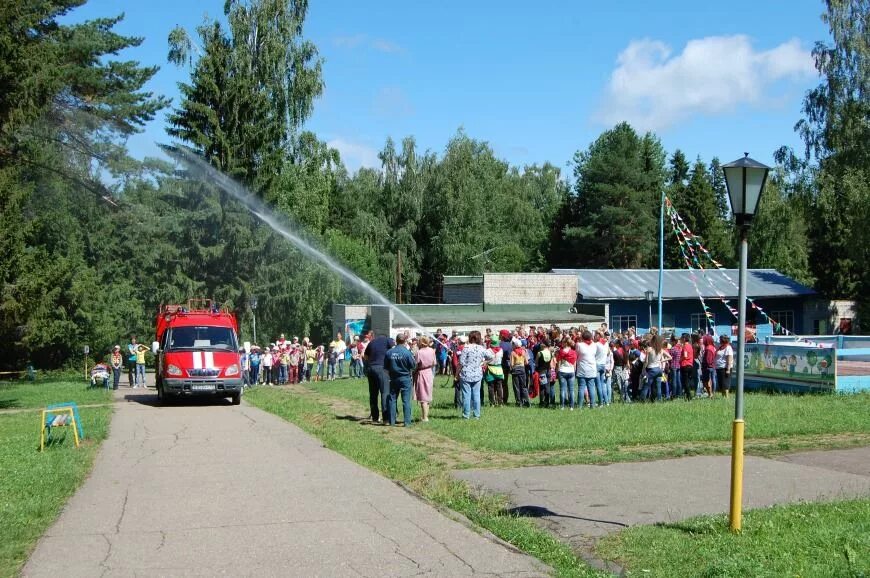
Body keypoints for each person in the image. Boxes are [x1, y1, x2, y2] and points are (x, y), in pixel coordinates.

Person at [458, 331, 493, 419]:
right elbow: (492, 356)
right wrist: (485, 362)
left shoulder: (466, 348)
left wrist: (456, 374)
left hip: (466, 374)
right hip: (477, 374)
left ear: (471, 338)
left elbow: (461, 362)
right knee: (476, 395)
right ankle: (477, 415)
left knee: (466, 395)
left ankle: (466, 415)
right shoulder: (482, 348)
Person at [384, 334, 416, 427]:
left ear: (396, 341)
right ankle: (407, 422)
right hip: (405, 378)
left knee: (392, 399)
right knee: (406, 400)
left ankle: (392, 421)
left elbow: (386, 367)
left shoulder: (389, 352)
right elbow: (413, 366)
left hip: (393, 378)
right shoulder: (407, 352)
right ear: (405, 341)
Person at [364, 331, 391, 423]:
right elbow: (394, 350)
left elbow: (365, 356)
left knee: (373, 394)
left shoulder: (372, 342)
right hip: (382, 369)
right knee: (385, 393)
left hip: (371, 369)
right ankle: (386, 418)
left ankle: (375, 417)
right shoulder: (388, 340)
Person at [643, 334, 672, 402]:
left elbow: (646, 361)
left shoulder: (649, 349)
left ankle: (642, 400)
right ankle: (659, 400)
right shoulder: (660, 350)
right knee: (658, 387)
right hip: (658, 369)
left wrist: (644, 369)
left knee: (646, 386)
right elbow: (670, 357)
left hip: (651, 369)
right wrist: (661, 360)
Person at [414, 336, 436, 422]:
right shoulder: (432, 351)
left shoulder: (419, 352)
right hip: (429, 373)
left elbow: (415, 364)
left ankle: (425, 417)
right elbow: (434, 363)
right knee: (428, 394)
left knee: (423, 396)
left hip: (421, 373)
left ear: (422, 342)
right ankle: (425, 415)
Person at [576, 330, 598, 408]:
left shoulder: (579, 345)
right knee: (591, 388)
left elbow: (577, 354)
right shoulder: (595, 345)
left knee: (581, 388)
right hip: (592, 369)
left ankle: (580, 405)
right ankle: (592, 405)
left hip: (582, 368)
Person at [555, 337, 577, 410]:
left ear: (565, 343)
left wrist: (557, 371)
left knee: (562, 390)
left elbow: (559, 362)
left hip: (563, 371)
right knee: (571, 390)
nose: (561, 344)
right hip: (571, 371)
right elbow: (574, 363)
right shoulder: (573, 352)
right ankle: (571, 406)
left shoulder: (561, 351)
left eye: (562, 342)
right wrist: (574, 370)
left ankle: (562, 406)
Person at [484, 336, 505, 406]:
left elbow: (485, 359)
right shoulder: (501, 350)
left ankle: (492, 403)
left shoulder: (487, 351)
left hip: (490, 369)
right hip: (499, 369)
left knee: (491, 387)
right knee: (499, 386)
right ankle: (500, 403)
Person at [510, 338, 530, 407]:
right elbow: (527, 362)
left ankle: (519, 402)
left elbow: (512, 364)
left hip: (515, 369)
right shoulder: (524, 352)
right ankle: (526, 401)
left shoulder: (513, 353)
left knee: (516, 387)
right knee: (523, 386)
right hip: (522, 369)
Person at [536, 339, 554, 408]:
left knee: (542, 387)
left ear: (544, 345)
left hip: (542, 371)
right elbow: (551, 363)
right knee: (547, 386)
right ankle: (547, 402)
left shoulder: (539, 353)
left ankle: (541, 402)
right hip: (548, 371)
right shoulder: (551, 353)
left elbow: (536, 363)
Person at [679, 333, 695, 400]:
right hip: (690, 365)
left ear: (684, 339)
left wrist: (680, 360)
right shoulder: (690, 346)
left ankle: (688, 396)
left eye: (682, 338)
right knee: (687, 381)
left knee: (685, 382)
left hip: (685, 365)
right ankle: (687, 395)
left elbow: (685, 356)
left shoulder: (685, 346)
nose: (681, 339)